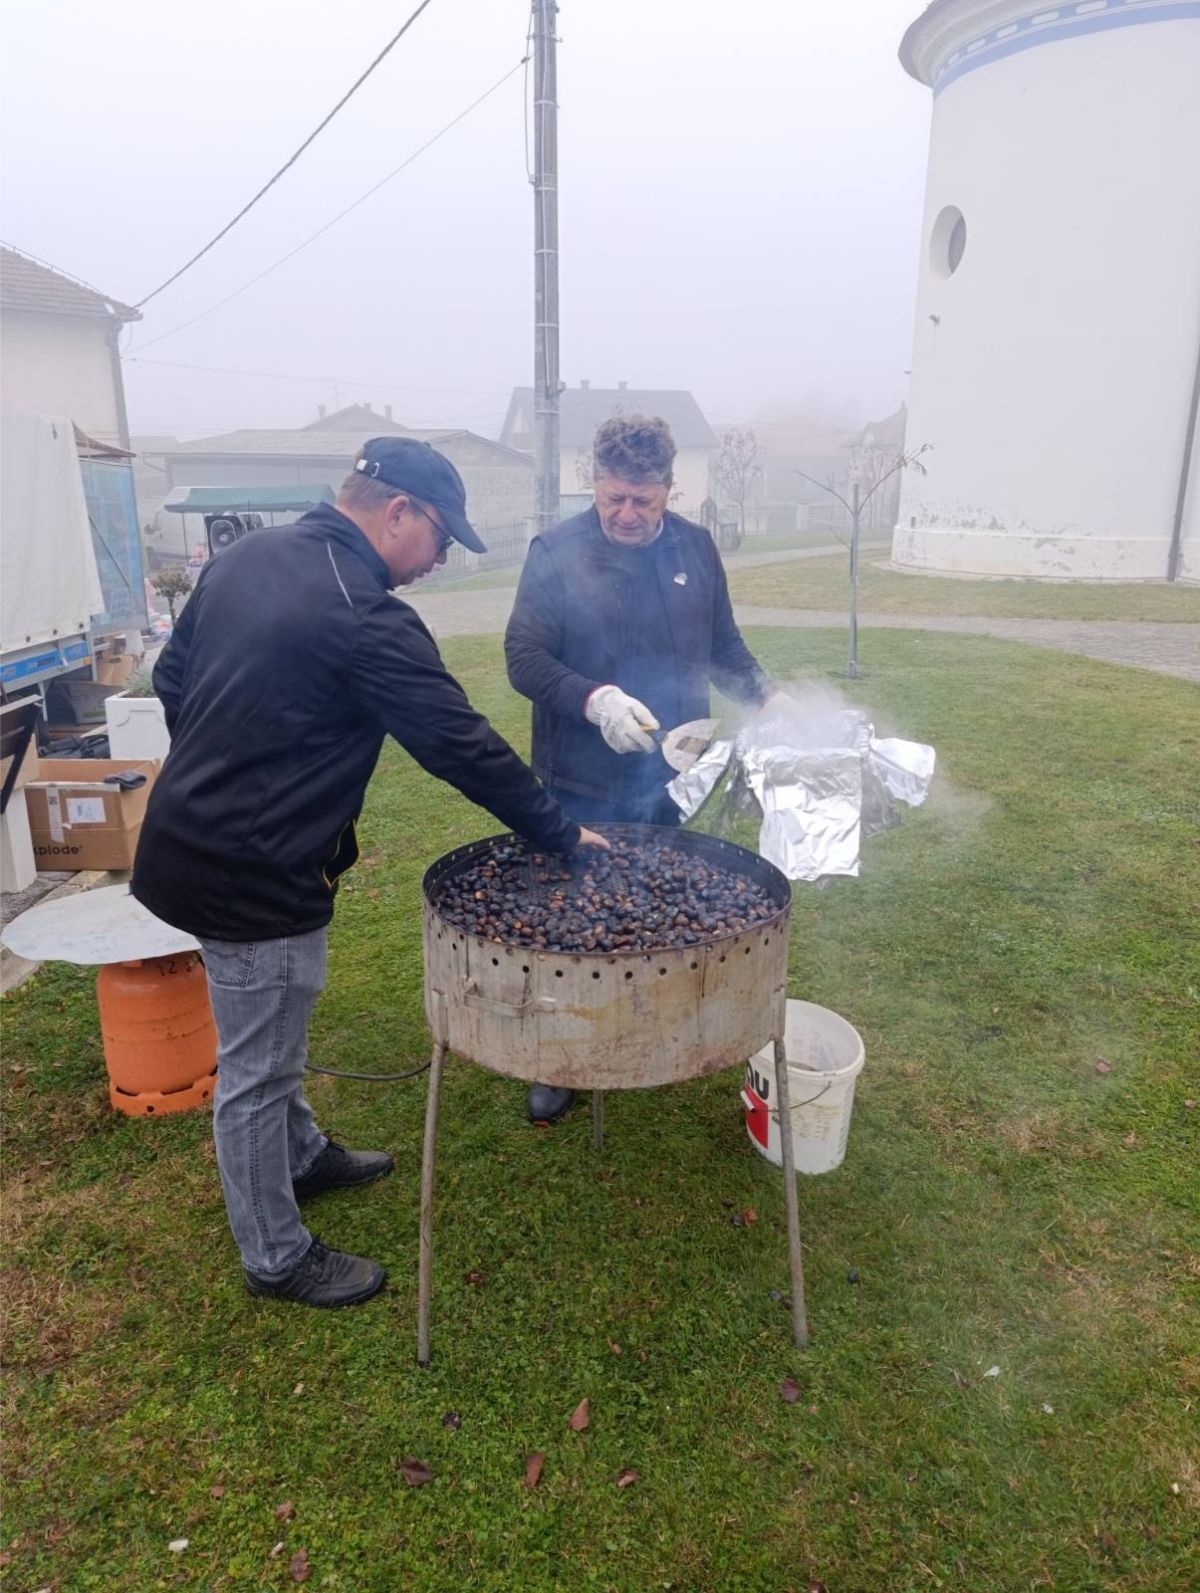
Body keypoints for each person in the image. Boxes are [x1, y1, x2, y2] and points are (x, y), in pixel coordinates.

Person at [131, 437, 605, 1309]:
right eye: (441, 538)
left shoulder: (245, 557)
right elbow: (459, 742)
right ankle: (275, 1256)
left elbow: (173, 678)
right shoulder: (365, 614)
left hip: (194, 844)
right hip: (250, 871)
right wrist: (559, 829)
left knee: (274, 1027)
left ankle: (301, 1155)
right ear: (397, 513)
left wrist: (228, 761)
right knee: (255, 1067)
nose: (439, 560)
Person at [505, 414, 778, 1123]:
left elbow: (725, 650)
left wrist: (774, 702)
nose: (627, 514)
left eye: (643, 500)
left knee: (654, 908)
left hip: (672, 777)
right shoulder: (556, 552)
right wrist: (595, 699)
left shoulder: (695, 548)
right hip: (577, 780)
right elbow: (523, 658)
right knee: (570, 921)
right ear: (594, 483)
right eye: (614, 498)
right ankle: (557, 1057)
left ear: (668, 488)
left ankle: (646, 1026)